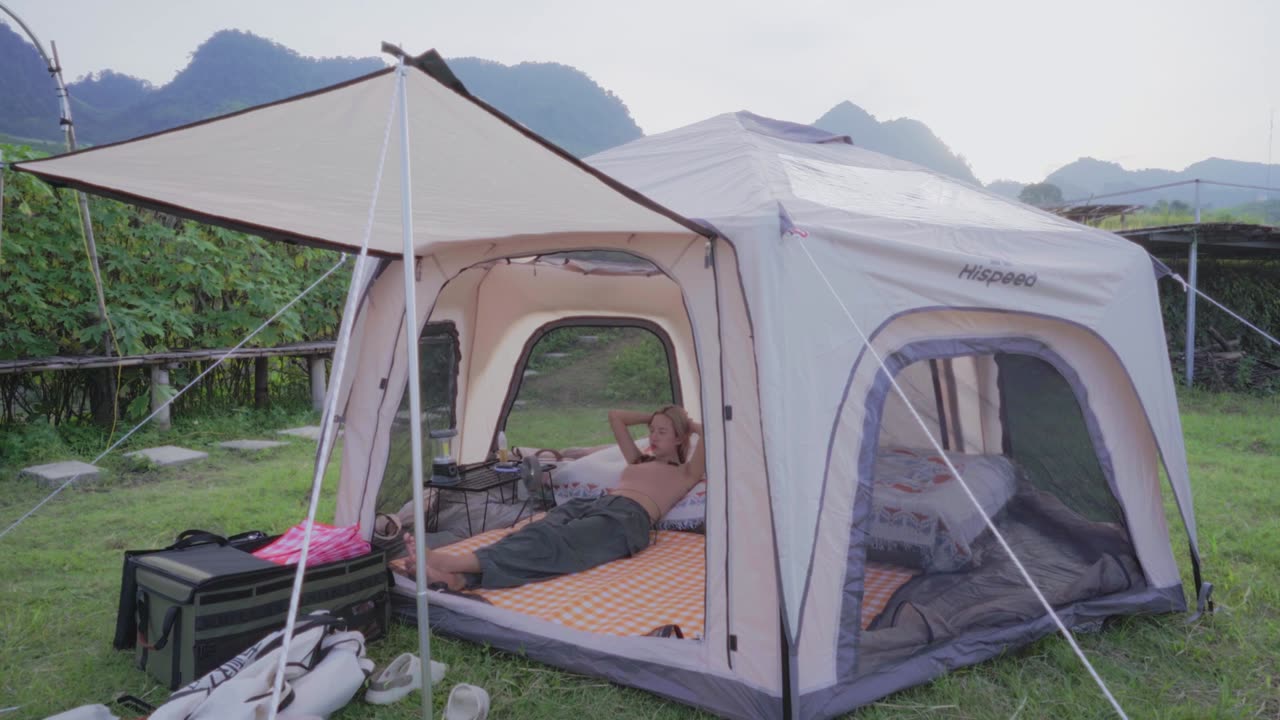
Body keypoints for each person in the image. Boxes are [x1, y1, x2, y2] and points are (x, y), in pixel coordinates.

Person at [403, 404, 705, 591]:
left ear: (679, 438)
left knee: (552, 545)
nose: (652, 436)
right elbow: (616, 416)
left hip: (627, 519)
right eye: (652, 430)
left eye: (662, 432)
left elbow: (712, 433)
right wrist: (656, 416)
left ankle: (451, 561)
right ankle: (460, 580)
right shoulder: (638, 460)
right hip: (595, 504)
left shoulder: (685, 473)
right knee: (535, 530)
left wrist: (686, 424)